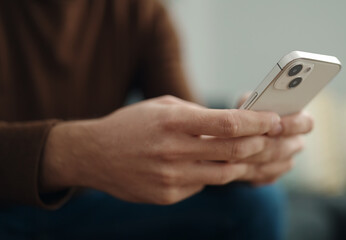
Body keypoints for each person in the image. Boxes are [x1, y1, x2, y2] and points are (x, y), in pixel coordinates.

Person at [0, 0, 313, 239]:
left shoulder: (141, 10)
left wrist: (243, 153)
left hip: (85, 207)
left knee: (256, 201)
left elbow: (190, 129)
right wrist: (78, 152)